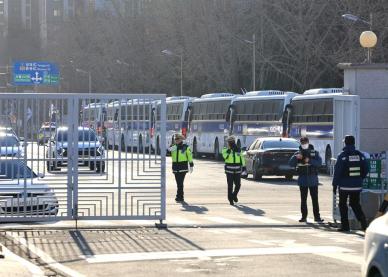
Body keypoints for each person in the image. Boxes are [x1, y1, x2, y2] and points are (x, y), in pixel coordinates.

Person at [332, 135, 369, 232]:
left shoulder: (342, 155)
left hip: (344, 186)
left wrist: (334, 184)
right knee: (355, 204)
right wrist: (360, 178)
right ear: (354, 143)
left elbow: (337, 171)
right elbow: (366, 169)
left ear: (345, 143)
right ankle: (364, 224)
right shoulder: (360, 155)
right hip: (356, 186)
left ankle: (345, 226)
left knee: (343, 205)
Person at [289, 137, 324, 223]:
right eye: (302, 143)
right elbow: (290, 163)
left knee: (315, 199)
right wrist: (296, 158)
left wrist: (310, 160)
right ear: (300, 144)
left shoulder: (314, 152)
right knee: (303, 199)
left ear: (308, 142)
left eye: (305, 142)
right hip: (303, 179)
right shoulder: (298, 153)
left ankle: (317, 217)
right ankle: (304, 216)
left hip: (313, 180)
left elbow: (319, 163)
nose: (304, 144)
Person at [222, 135, 246, 205]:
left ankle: (234, 195)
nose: (232, 143)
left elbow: (242, 158)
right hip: (229, 171)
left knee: (238, 185)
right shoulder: (225, 149)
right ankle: (230, 199)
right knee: (230, 186)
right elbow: (225, 157)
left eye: (233, 142)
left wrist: (244, 167)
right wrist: (229, 151)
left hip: (237, 170)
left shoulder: (238, 149)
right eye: (230, 142)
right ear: (228, 143)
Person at [169, 133, 194, 202]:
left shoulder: (185, 147)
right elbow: (168, 152)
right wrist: (172, 146)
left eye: (177, 139)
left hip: (183, 167)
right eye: (175, 139)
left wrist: (191, 165)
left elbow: (189, 156)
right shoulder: (174, 147)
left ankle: (180, 196)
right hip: (175, 167)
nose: (176, 140)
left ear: (181, 139)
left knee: (180, 182)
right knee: (178, 183)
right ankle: (179, 196)